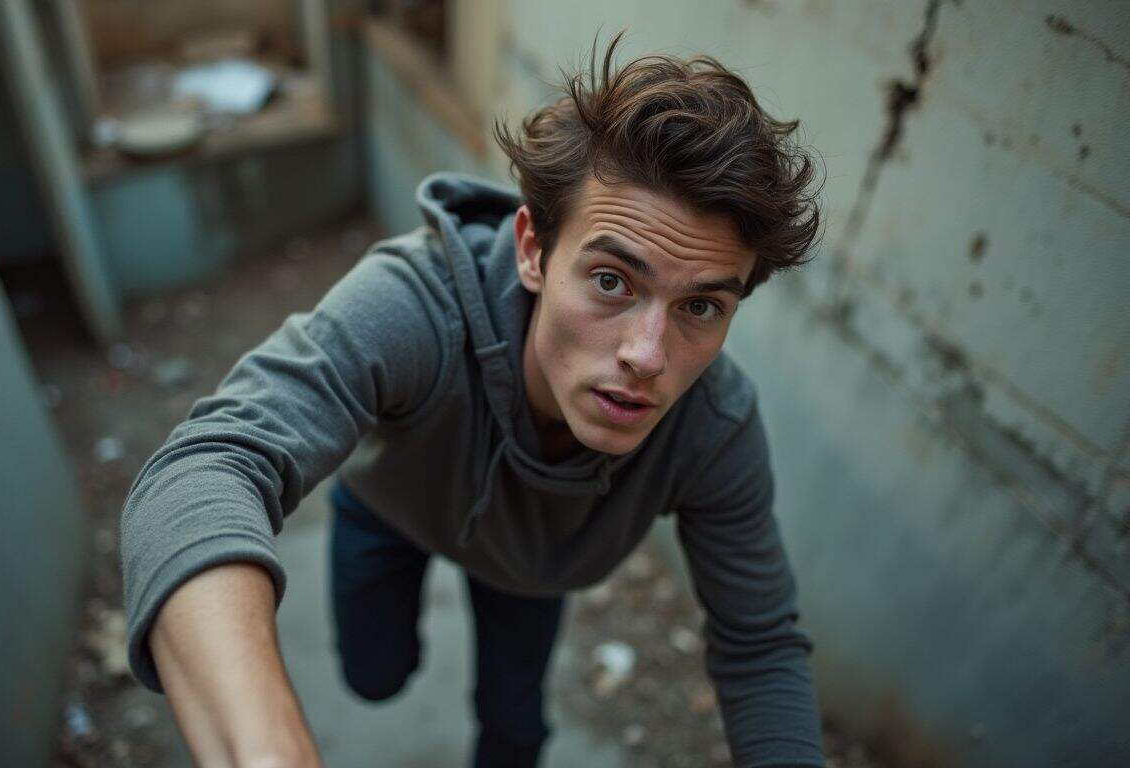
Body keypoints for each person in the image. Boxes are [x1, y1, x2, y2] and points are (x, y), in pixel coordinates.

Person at [121, 35, 826, 768]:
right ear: (532, 250)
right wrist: (267, 754)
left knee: (516, 728)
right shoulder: (416, 306)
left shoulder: (713, 426)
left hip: (529, 564)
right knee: (374, 675)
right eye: (613, 281)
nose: (647, 355)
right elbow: (203, 468)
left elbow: (760, 644)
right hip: (394, 506)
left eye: (701, 307)